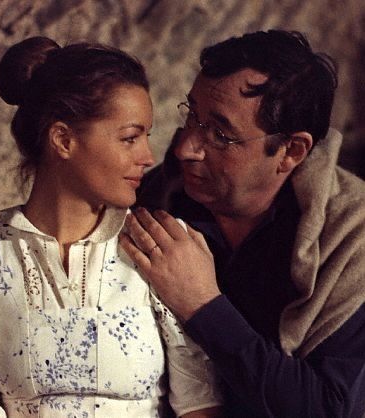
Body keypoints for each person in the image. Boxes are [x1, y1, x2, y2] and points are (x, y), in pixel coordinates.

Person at [0, 37, 222, 417]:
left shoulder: (160, 247)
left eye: (146, 138)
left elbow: (200, 406)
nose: (147, 157)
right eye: (129, 138)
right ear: (63, 140)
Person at [120, 30, 365, 417]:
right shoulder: (158, 195)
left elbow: (330, 408)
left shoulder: (351, 237)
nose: (185, 148)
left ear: (291, 151)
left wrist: (202, 304)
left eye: (220, 135)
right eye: (192, 116)